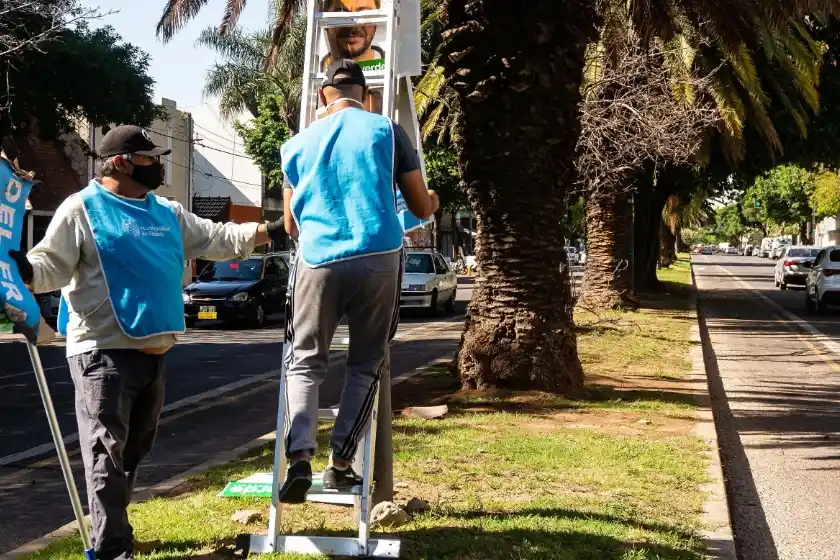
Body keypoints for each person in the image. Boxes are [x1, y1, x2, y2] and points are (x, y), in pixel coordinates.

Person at [7, 125, 284, 560]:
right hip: (102, 352)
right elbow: (51, 265)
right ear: (120, 162)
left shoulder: (166, 212)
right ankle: (111, 546)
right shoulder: (82, 208)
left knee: (134, 451)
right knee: (105, 453)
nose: (157, 164)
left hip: (154, 351)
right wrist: (23, 270)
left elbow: (216, 238)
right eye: (149, 158)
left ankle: (115, 530)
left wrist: (276, 227)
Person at [277, 59, 438, 502]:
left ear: (321, 96)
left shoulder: (295, 145)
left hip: (317, 260)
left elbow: (290, 225)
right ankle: (341, 463)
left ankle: (299, 459)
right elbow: (421, 208)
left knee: (304, 360)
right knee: (367, 362)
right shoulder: (386, 131)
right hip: (378, 257)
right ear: (366, 95)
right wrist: (433, 199)